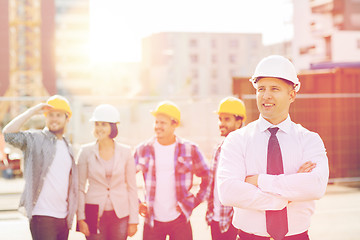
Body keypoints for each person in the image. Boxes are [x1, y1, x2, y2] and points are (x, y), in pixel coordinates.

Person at [217, 55, 329, 240]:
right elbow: (228, 191)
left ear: (292, 95)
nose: (266, 95)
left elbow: (315, 186)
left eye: (274, 89)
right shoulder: (237, 140)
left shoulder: (310, 140)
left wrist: (258, 180)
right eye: (261, 89)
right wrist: (287, 195)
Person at [2, 95, 78, 240]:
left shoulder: (69, 147)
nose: (54, 119)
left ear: (67, 118)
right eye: (50, 115)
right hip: (42, 215)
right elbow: (8, 134)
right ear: (45, 117)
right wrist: (33, 111)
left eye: (58, 115)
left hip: (63, 217)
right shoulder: (35, 139)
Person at [134, 101, 210, 240]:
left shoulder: (189, 149)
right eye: (156, 122)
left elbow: (208, 177)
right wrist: (137, 203)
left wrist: (192, 202)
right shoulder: (143, 149)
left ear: (174, 124)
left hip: (180, 220)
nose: (157, 126)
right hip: (152, 221)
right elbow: (126, 179)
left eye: (162, 123)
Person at [77, 104, 138, 240]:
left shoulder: (126, 152)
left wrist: (134, 220)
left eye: (103, 124)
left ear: (113, 126)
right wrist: (81, 218)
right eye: (97, 124)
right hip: (92, 212)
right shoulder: (85, 152)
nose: (99, 128)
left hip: (120, 214)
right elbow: (80, 188)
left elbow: (132, 188)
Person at [205, 96, 246, 240]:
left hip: (235, 221)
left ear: (239, 121)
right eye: (220, 119)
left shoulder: (246, 148)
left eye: (226, 119)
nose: (221, 123)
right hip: (216, 218)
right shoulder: (219, 148)